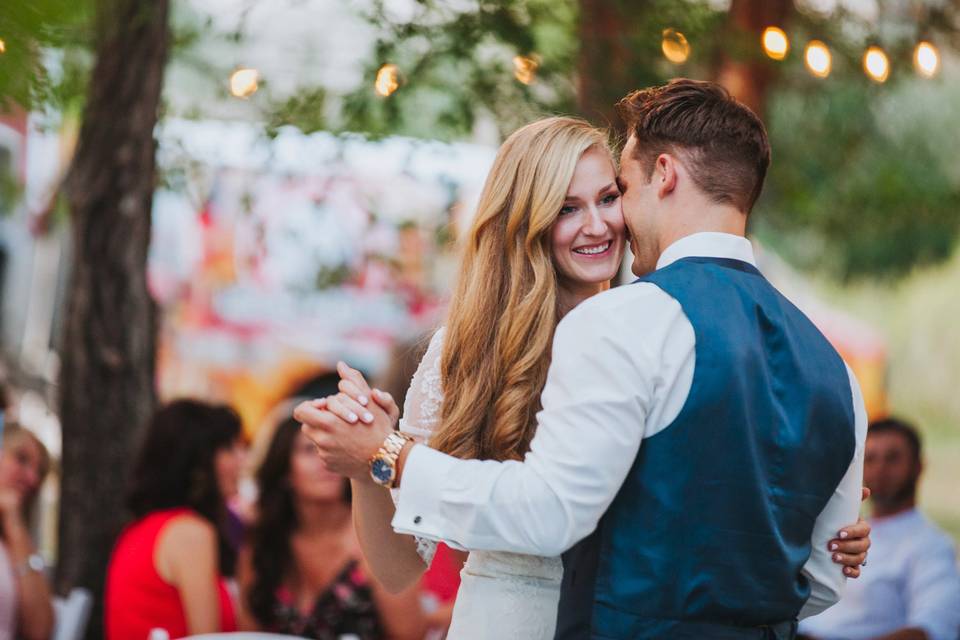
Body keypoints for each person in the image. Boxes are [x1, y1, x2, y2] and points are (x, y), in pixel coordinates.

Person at [298, 82, 872, 640]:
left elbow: (564, 509)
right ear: (524, 220)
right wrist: (369, 467)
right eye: (567, 207)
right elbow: (399, 570)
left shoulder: (632, 328)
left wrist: (392, 454)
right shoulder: (465, 351)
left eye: (611, 196)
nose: (598, 225)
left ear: (660, 178)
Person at [237, 416, 428, 639]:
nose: (324, 459)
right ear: (284, 470)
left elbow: (411, 634)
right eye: (309, 450)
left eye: (331, 448)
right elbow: (249, 633)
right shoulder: (264, 545)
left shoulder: (374, 538)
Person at [798, 417, 960, 640]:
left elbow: (932, 630)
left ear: (918, 467)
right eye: (870, 458)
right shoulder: (847, 530)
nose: (880, 469)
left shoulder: (931, 546)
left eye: (892, 459)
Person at [105, 399, 246, 639]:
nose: (240, 461)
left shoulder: (138, 530)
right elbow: (207, 638)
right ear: (197, 461)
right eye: (227, 449)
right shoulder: (189, 533)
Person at [0, 424, 54, 640]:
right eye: (21, 459)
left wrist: (14, 523)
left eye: (39, 472)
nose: (32, 479)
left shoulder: (19, 543)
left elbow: (40, 630)